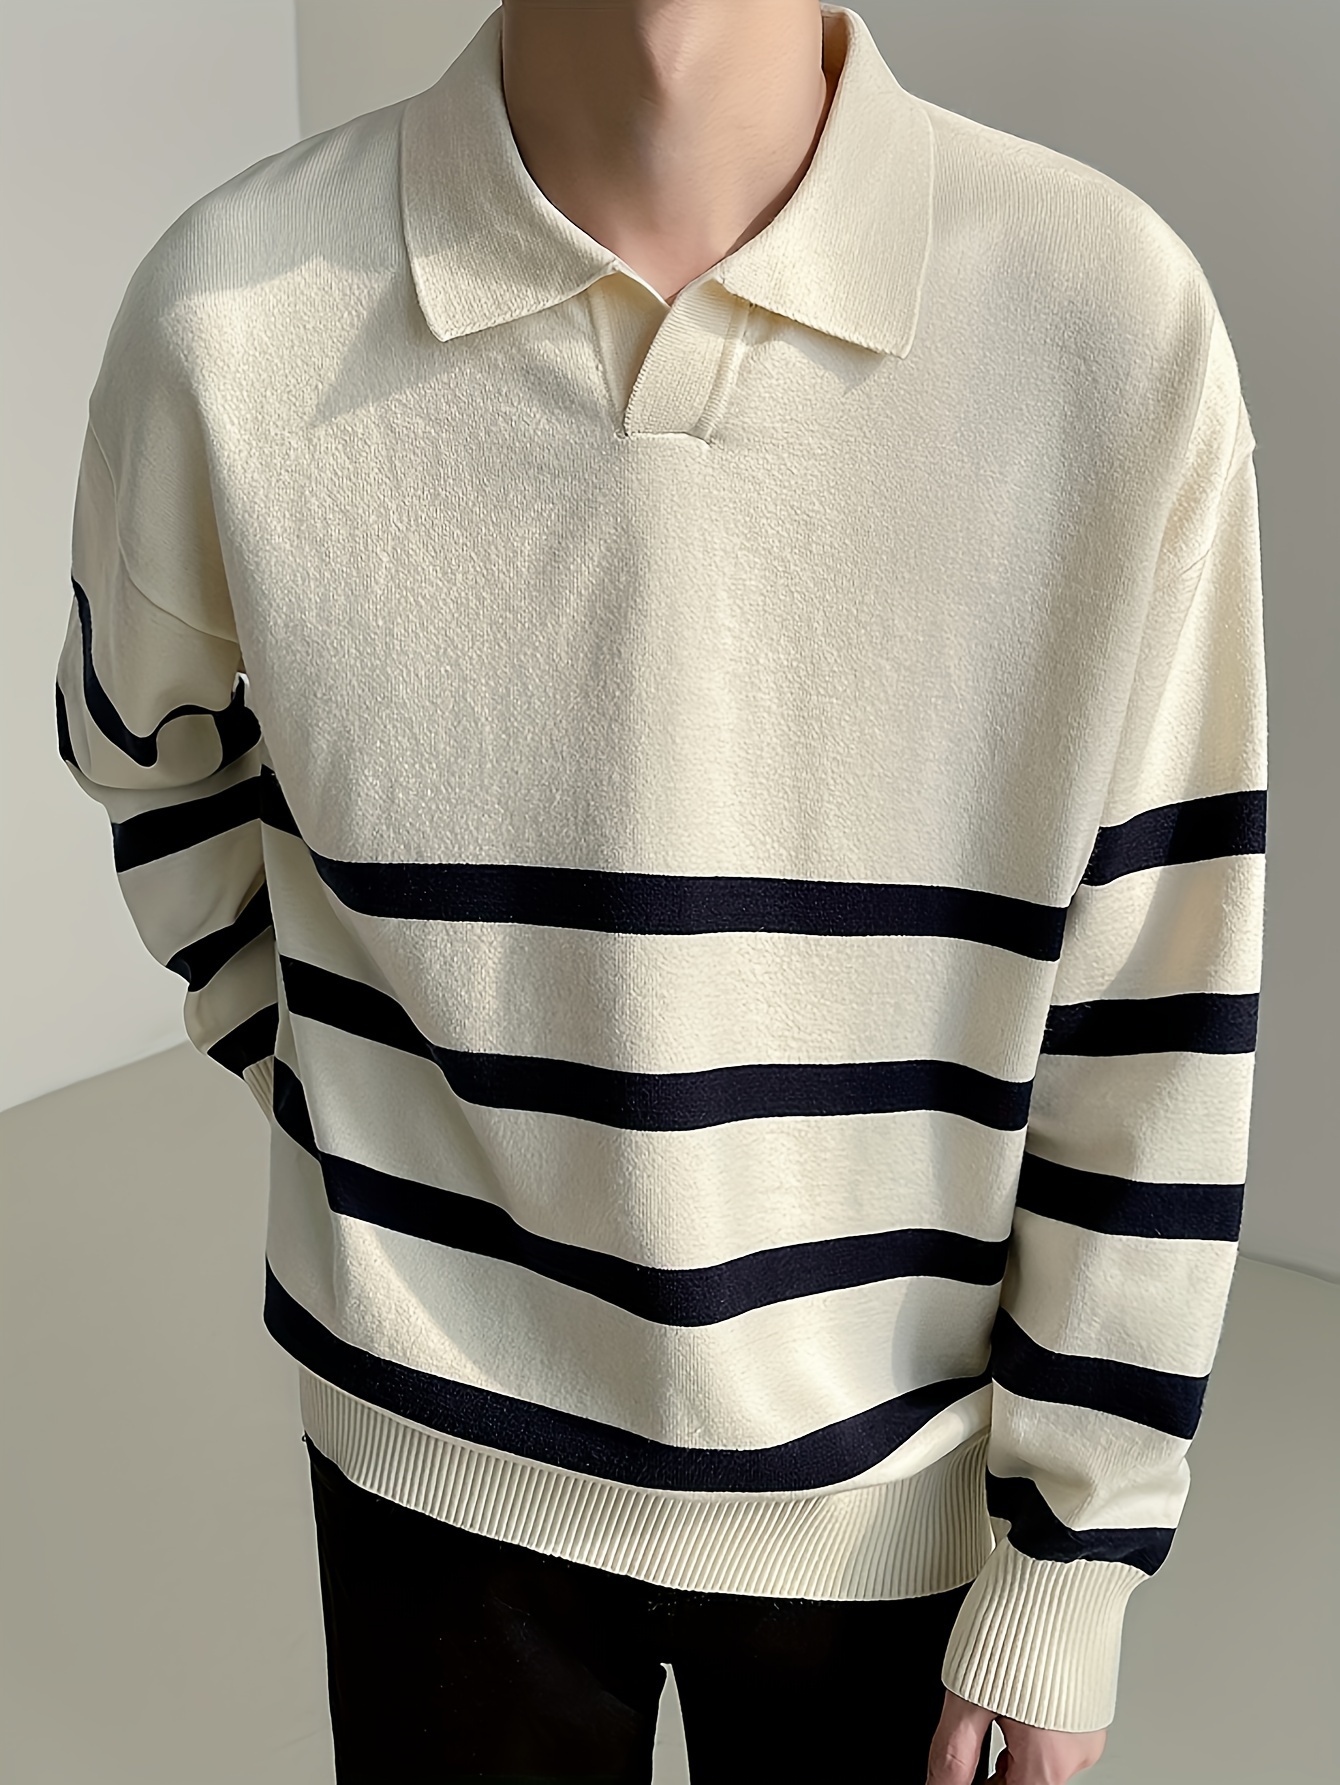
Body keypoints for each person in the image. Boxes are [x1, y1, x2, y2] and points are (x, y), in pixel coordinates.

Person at [53, 2, 1266, 1782]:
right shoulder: (229, 312)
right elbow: (145, 753)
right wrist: (330, 1078)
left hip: (898, 1489)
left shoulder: (1111, 327)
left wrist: (1072, 1554)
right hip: (426, 1457)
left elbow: (1160, 986)